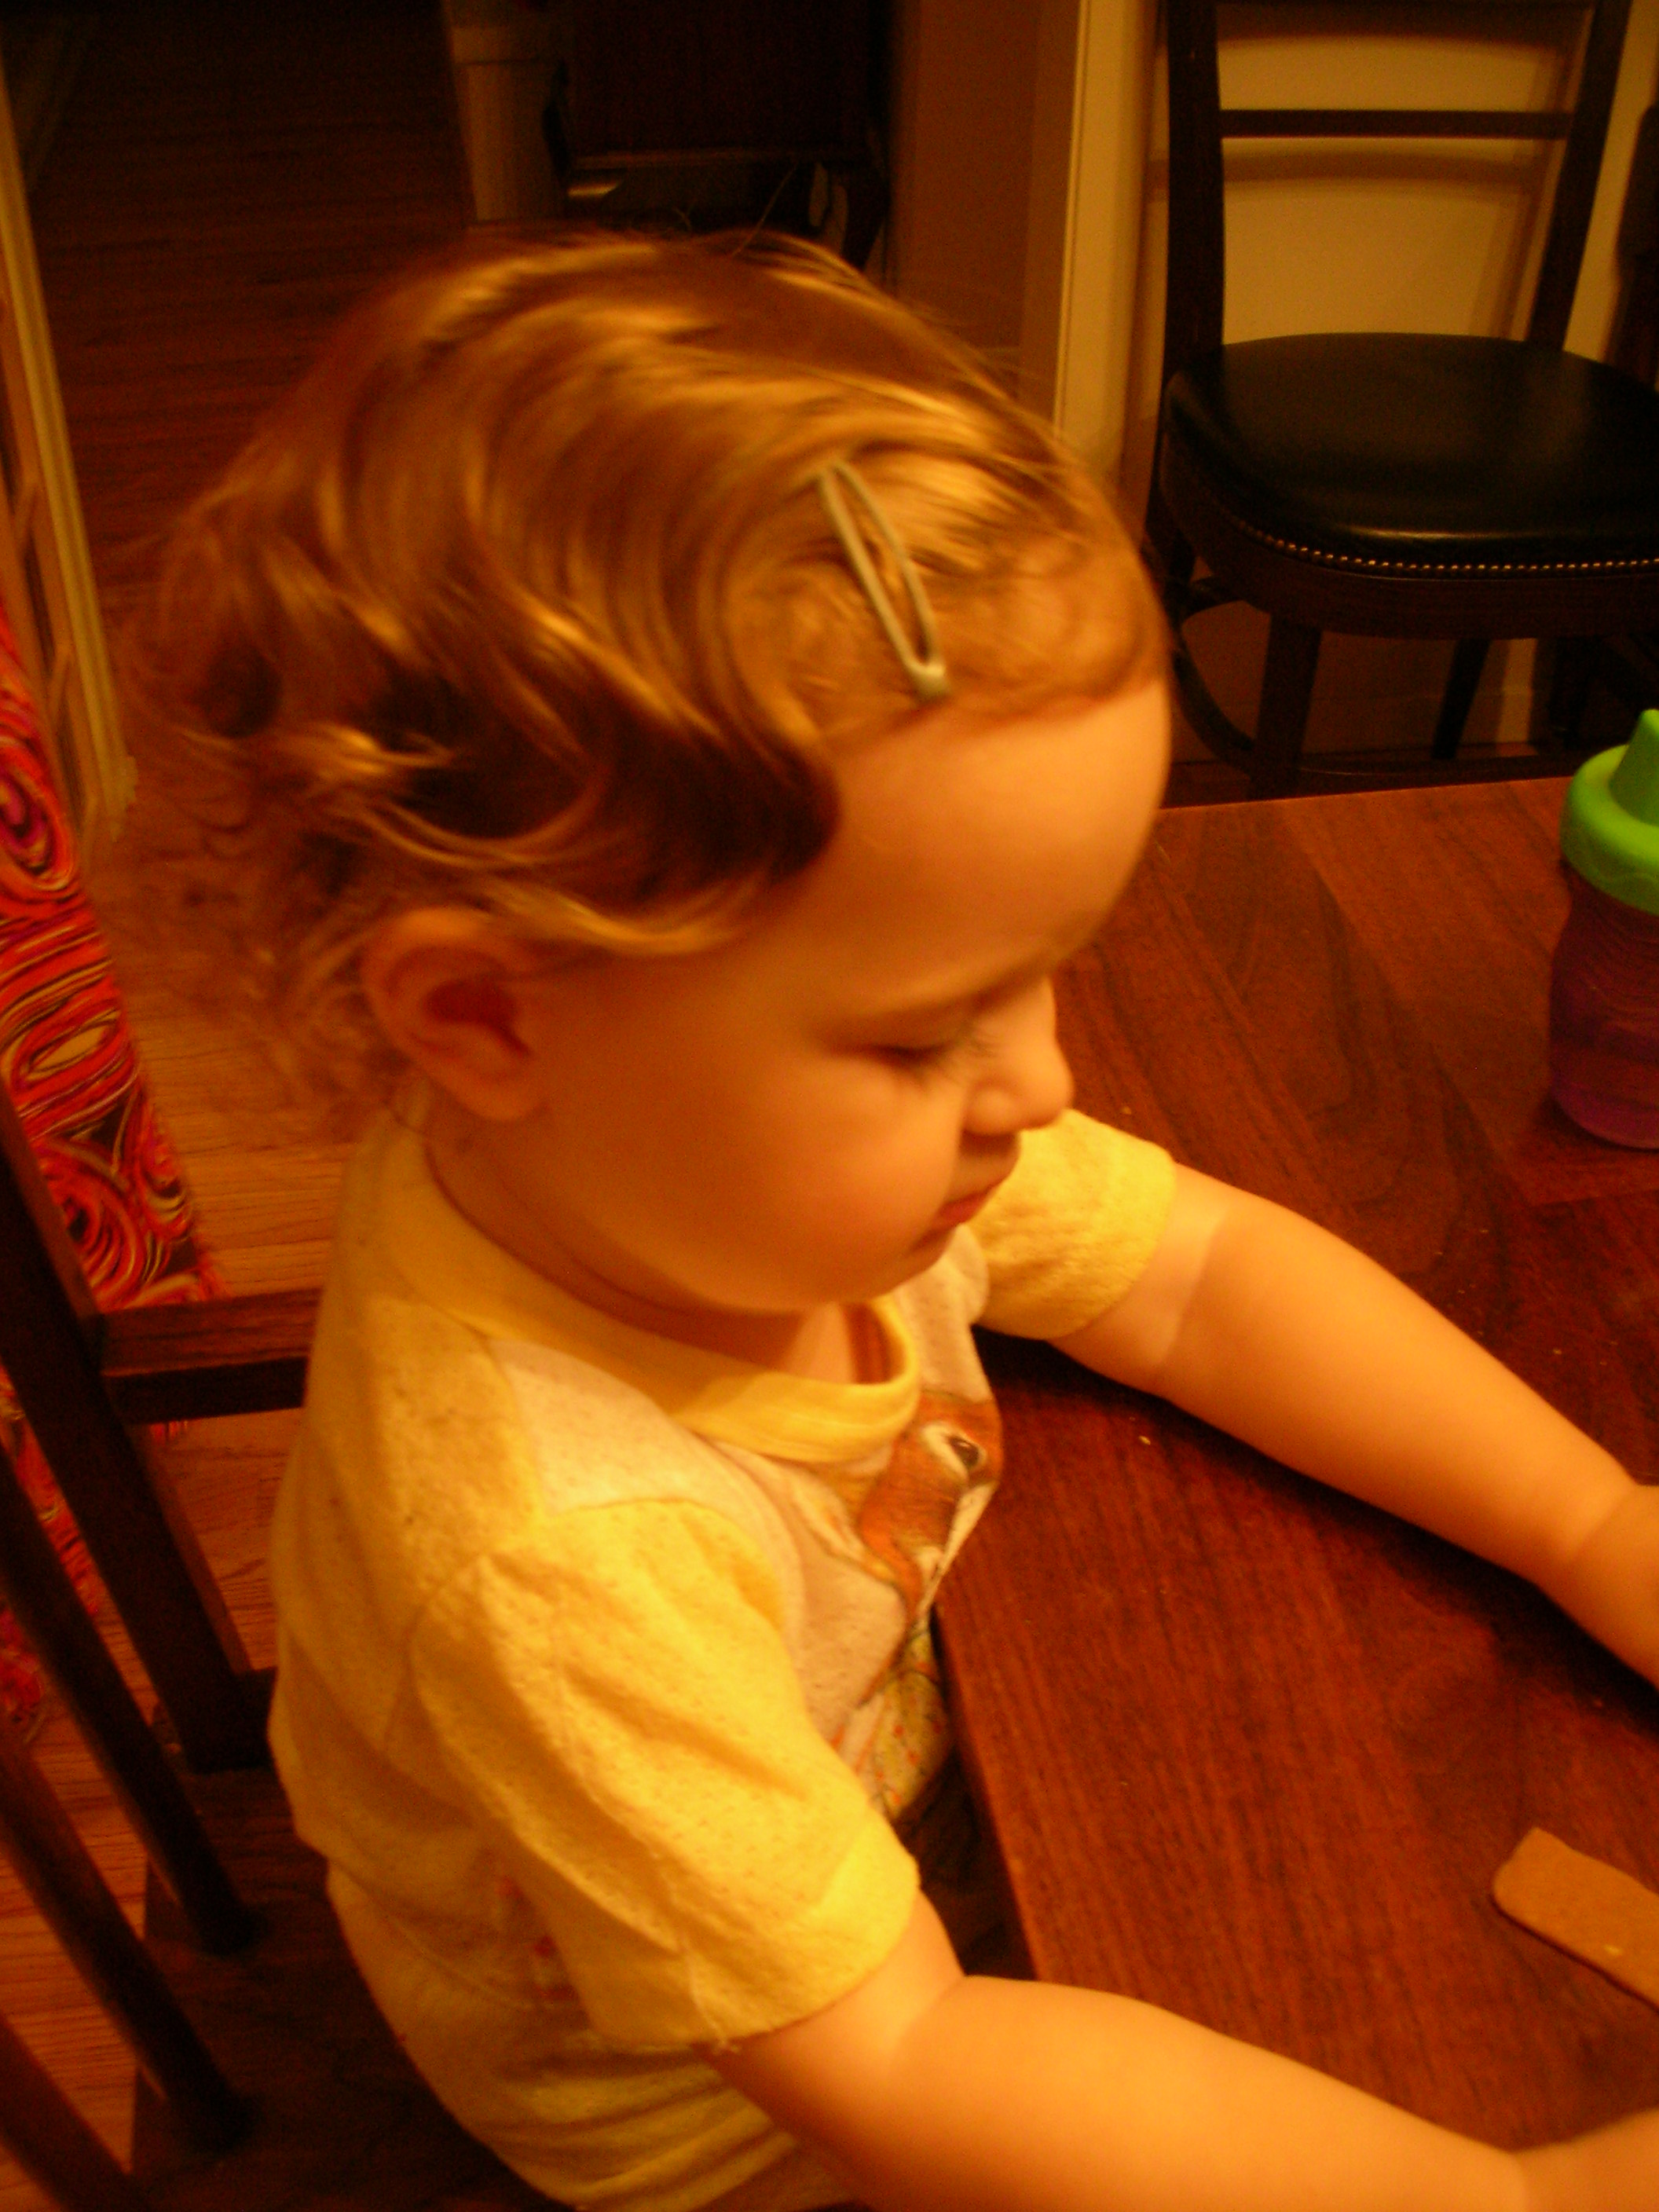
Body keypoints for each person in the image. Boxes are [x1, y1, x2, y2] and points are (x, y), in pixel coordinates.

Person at [119, 229, 1659, 2212]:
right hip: (727, 2119)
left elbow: (1199, 1276)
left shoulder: (682, 1149)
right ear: (490, 1017)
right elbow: (912, 2066)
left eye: (1047, 973)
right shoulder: (557, 1557)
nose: (1039, 1081)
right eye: (932, 1027)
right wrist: (1528, 2199)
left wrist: (1592, 1524)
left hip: (878, 1820)